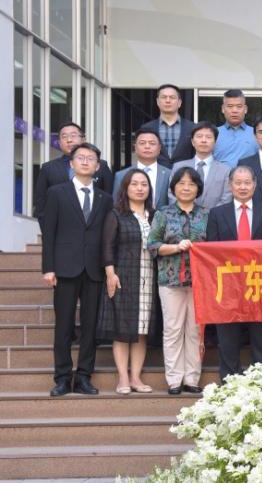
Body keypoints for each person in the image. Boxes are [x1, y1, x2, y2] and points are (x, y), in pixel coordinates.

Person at [41, 142, 114, 397]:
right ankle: (62, 377)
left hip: (94, 269)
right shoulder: (57, 193)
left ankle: (84, 376)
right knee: (64, 325)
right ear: (71, 164)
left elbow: (107, 236)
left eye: (90, 158)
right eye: (80, 158)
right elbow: (49, 232)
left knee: (90, 327)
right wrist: (48, 267)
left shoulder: (105, 198)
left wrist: (108, 268)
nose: (85, 161)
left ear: (97, 166)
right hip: (64, 268)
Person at [206, 166, 262, 382]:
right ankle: (229, 380)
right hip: (228, 284)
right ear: (230, 185)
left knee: (261, 336)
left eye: (247, 182)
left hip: (260, 283)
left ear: (254, 185)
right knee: (228, 336)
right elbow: (212, 251)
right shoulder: (217, 213)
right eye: (238, 183)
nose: (243, 187)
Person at [98, 169, 159, 395]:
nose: (140, 188)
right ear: (126, 188)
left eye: (144, 184)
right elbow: (107, 246)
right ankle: (123, 377)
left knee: (142, 329)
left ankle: (136, 377)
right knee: (122, 329)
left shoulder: (155, 216)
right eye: (134, 184)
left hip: (150, 278)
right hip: (123, 277)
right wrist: (110, 274)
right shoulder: (117, 214)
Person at [148, 167, 208, 395]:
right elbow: (152, 245)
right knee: (173, 330)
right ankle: (174, 379)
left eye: (191, 184)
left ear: (198, 189)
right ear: (173, 188)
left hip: (200, 283)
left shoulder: (206, 215)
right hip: (170, 281)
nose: (186, 188)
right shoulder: (163, 214)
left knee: (195, 331)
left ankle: (192, 378)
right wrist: (176, 247)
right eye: (181, 183)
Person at [34, 121, 114, 223]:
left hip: (94, 224)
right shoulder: (48, 168)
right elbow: (41, 203)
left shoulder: (100, 165)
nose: (69, 140)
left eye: (73, 135)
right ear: (59, 143)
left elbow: (109, 197)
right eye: (64, 137)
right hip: (60, 225)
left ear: (83, 139)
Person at [171, 122, 232, 210]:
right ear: (192, 142)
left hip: (213, 217)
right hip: (180, 216)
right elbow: (172, 194)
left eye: (208, 137)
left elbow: (226, 198)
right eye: (199, 136)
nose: (203, 140)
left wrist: (210, 216)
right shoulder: (178, 167)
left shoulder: (226, 170)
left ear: (215, 142)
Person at [139, 84, 196, 169]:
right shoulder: (147, 128)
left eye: (172, 97)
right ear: (157, 102)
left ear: (179, 102)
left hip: (184, 175)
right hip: (156, 175)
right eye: (164, 97)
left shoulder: (192, 128)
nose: (168, 100)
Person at [113, 129, 171, 210]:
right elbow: (117, 204)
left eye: (152, 143)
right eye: (142, 143)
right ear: (135, 148)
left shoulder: (169, 174)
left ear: (159, 149)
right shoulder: (121, 175)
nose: (147, 146)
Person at [213, 89, 257, 167]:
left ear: (245, 109)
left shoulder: (256, 134)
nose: (234, 110)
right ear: (223, 109)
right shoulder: (213, 134)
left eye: (239, 106)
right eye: (230, 106)